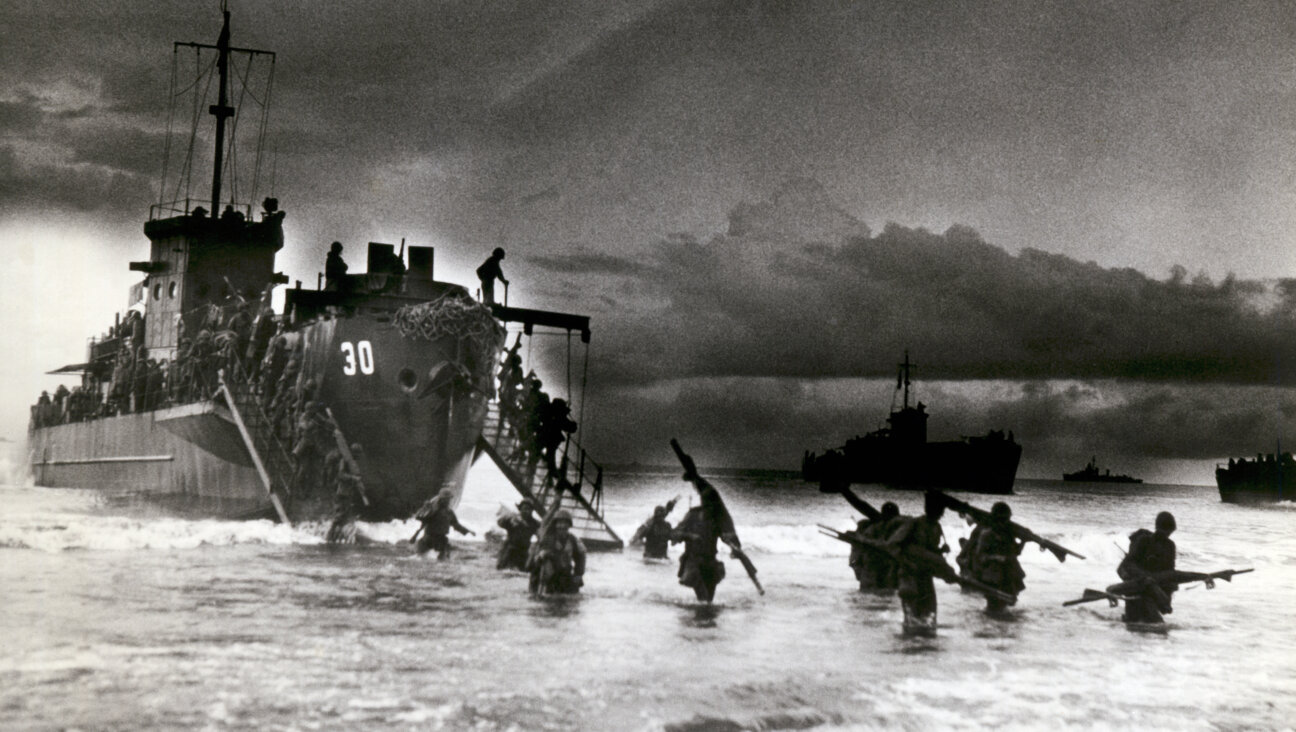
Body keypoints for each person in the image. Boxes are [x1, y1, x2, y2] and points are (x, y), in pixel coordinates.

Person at [671, 469, 740, 603]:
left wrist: (731, 544)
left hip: (710, 562)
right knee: (703, 597)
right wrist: (689, 536)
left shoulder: (717, 519)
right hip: (694, 562)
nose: (710, 504)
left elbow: (729, 536)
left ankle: (705, 618)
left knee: (708, 600)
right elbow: (674, 534)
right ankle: (703, 615)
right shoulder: (692, 515)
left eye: (712, 502)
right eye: (707, 501)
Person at [886, 491, 949, 633]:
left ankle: (924, 647)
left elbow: (929, 551)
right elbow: (892, 545)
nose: (940, 513)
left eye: (941, 510)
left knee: (930, 617)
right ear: (928, 508)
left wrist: (941, 551)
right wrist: (905, 562)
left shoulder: (937, 527)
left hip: (926, 576)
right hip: (909, 575)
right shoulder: (914, 524)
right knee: (911, 618)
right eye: (937, 509)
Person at [1114, 511, 1178, 623]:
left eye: (1168, 533)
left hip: (1155, 589)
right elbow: (1126, 566)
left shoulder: (1170, 546)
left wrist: (1167, 594)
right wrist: (1142, 578)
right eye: (1163, 532)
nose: (1165, 536)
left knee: (1149, 622)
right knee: (1136, 622)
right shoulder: (1143, 541)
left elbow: (1170, 572)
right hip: (1137, 587)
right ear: (1157, 528)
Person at [968, 501, 1025, 612]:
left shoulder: (1008, 535)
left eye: (1006, 520)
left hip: (1008, 575)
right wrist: (995, 557)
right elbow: (979, 557)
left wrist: (1023, 541)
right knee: (993, 606)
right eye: (1001, 520)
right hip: (993, 576)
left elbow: (1016, 552)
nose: (1004, 523)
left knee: (1006, 606)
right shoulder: (986, 535)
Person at [528, 509, 586, 595]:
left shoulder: (572, 540)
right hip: (549, 574)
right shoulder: (548, 539)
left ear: (569, 525)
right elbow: (535, 558)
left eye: (565, 523)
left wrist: (578, 574)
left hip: (564, 573)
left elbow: (580, 556)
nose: (562, 526)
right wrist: (542, 555)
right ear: (555, 525)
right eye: (559, 523)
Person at [411, 487, 475, 559]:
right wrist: (425, 508)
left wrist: (468, 531)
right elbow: (419, 517)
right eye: (446, 499)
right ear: (441, 499)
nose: (448, 501)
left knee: (442, 559)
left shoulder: (449, 512)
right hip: (428, 539)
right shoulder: (432, 510)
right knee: (419, 557)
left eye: (449, 499)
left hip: (441, 540)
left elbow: (456, 525)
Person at [325, 443, 367, 543]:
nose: (358, 457)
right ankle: (329, 537)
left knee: (344, 517)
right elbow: (341, 475)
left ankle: (336, 537)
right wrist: (353, 478)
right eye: (357, 454)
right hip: (342, 492)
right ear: (353, 453)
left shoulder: (352, 463)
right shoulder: (344, 461)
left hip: (348, 492)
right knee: (339, 516)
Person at [496, 497, 541, 571]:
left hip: (523, 551)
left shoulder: (534, 523)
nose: (526, 511)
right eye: (524, 508)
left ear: (532, 511)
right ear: (520, 509)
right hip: (510, 551)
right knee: (505, 569)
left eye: (528, 509)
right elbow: (500, 522)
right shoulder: (513, 519)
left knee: (525, 570)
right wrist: (509, 518)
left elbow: (541, 532)